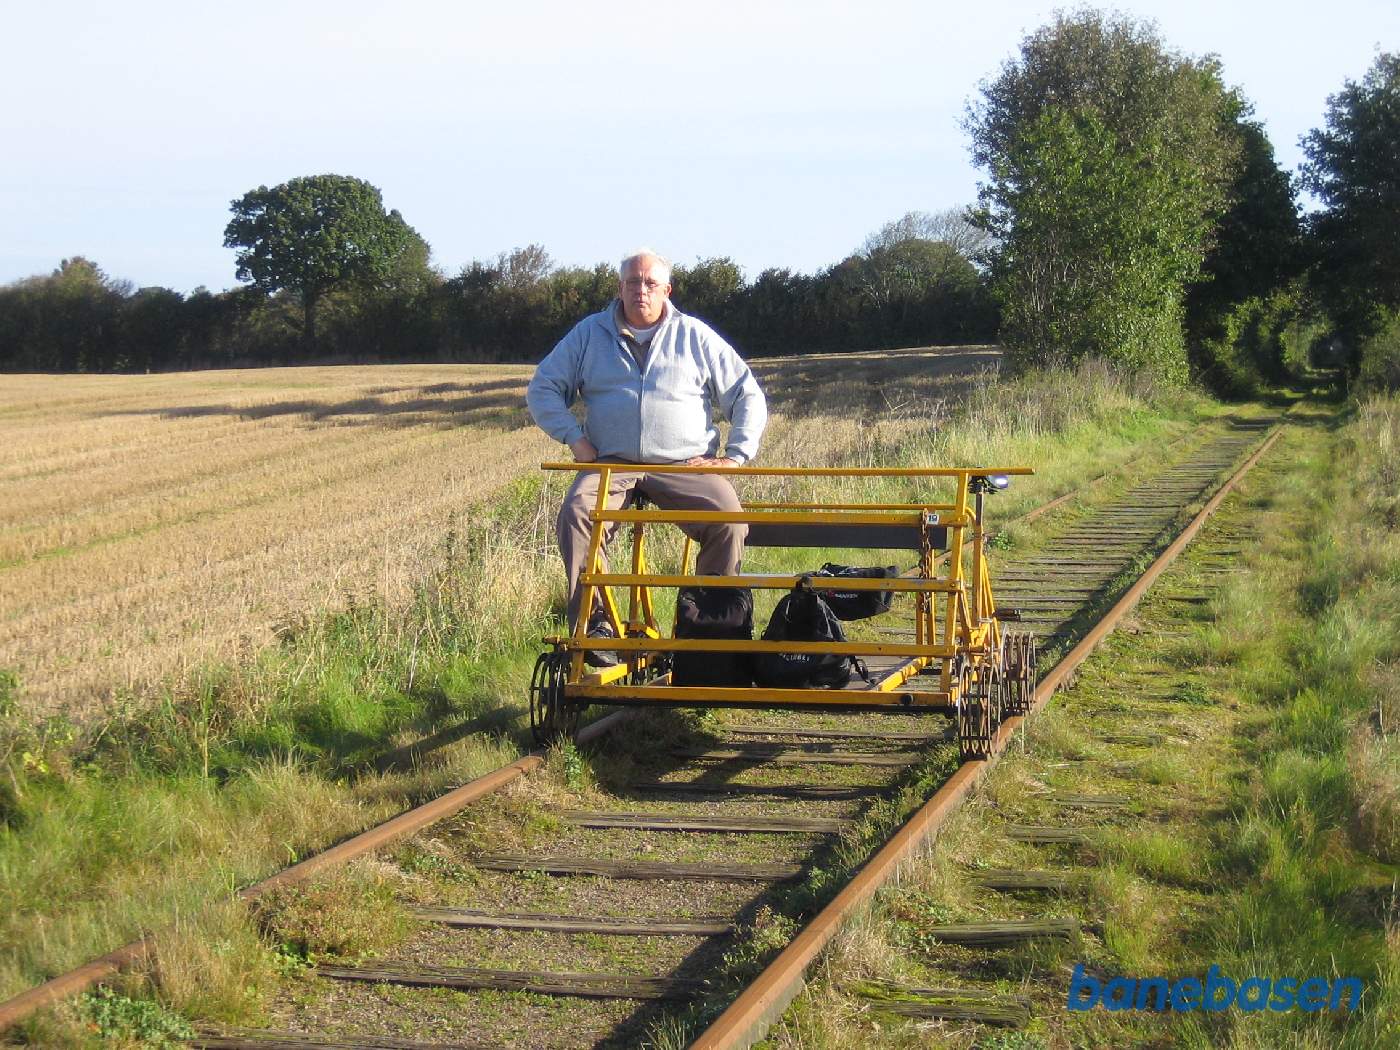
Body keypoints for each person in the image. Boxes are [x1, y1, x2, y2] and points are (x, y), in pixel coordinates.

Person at [526, 249, 768, 664]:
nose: (641, 290)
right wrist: (575, 441)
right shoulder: (588, 335)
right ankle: (595, 627)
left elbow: (746, 394)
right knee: (577, 514)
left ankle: (708, 631)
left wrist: (735, 456)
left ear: (666, 290)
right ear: (619, 288)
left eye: (650, 283)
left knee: (728, 519)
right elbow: (542, 388)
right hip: (611, 463)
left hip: (684, 463)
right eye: (633, 283)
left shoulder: (694, 335)